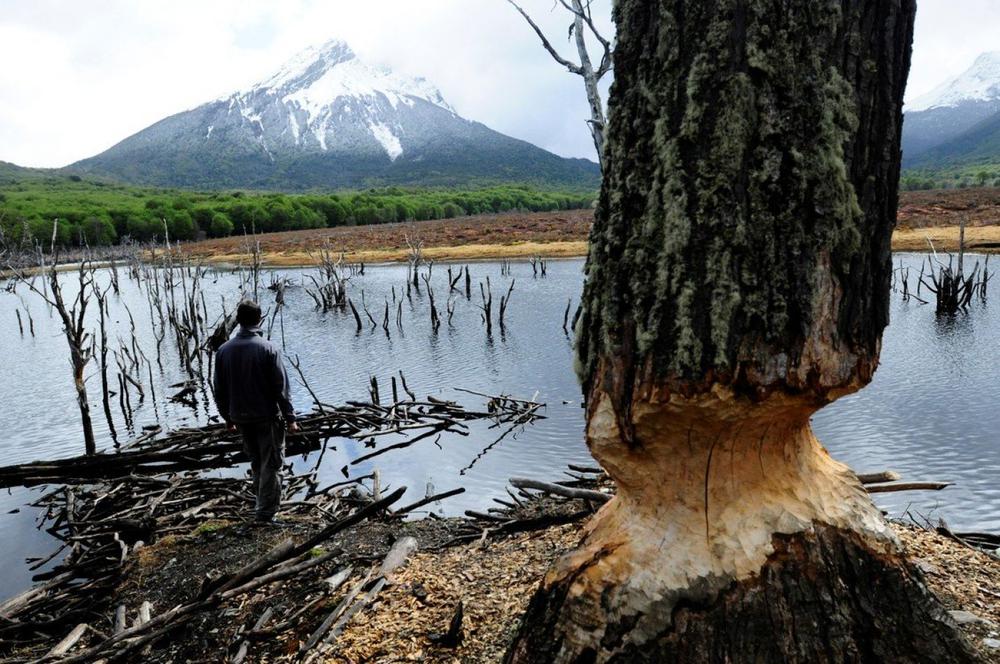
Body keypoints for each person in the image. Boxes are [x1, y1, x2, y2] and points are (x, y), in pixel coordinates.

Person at [214, 300, 298, 524]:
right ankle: (265, 514)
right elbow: (281, 388)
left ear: (239, 321)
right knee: (271, 464)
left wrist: (227, 418)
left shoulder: (223, 350)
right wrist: (290, 418)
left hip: (240, 418)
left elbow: (219, 389)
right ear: (259, 319)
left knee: (257, 461)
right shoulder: (268, 348)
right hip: (267, 417)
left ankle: (261, 506)